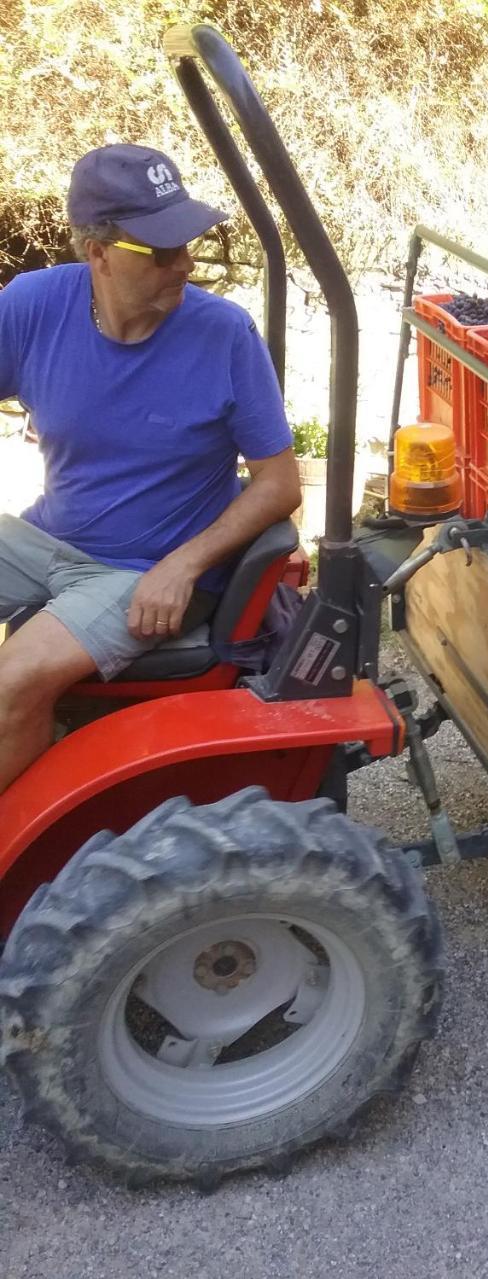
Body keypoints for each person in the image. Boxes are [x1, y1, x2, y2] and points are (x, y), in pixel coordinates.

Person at [0, 143, 301, 792]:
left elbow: (279, 484)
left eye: (188, 243)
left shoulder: (224, 334)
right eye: (161, 251)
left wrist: (184, 565)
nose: (184, 265)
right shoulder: (31, 307)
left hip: (139, 571)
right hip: (47, 538)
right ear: (97, 254)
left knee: (14, 680)